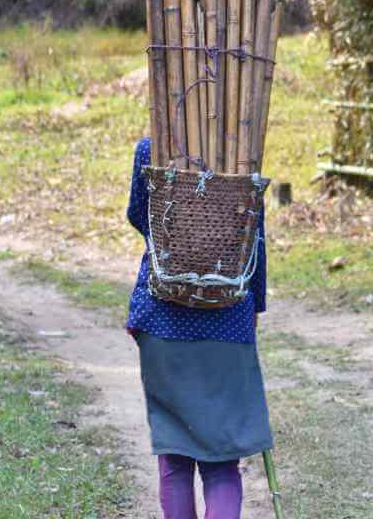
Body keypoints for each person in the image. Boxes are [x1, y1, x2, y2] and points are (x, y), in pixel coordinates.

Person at [126, 137, 273, 519]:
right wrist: (253, 307)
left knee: (175, 459)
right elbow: (254, 237)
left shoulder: (151, 149)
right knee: (222, 463)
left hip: (162, 319)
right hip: (228, 323)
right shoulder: (243, 150)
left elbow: (140, 216)